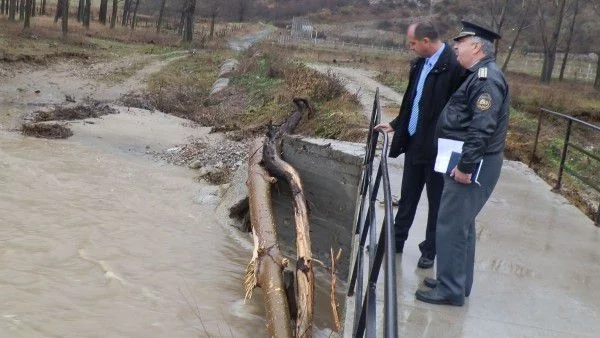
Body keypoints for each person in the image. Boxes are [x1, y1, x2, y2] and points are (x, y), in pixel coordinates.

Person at [415, 20, 510, 306]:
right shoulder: (479, 75)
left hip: (473, 163)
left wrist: (466, 167)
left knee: (452, 225)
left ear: (477, 46)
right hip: (467, 159)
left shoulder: (486, 79)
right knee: (462, 225)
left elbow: (483, 127)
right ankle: (456, 279)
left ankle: (451, 289)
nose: (455, 46)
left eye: (462, 42)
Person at [375, 21, 464, 269]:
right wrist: (396, 123)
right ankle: (397, 240)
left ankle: (429, 251)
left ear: (426, 41)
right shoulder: (420, 64)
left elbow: (460, 110)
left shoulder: (454, 66)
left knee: (437, 202)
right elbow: (413, 100)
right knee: (408, 197)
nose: (410, 47)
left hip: (439, 148)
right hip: (415, 141)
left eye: (413, 43)